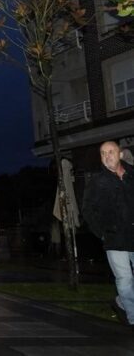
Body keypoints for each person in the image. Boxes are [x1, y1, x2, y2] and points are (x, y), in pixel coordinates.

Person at [82, 140, 134, 327]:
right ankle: (132, 316)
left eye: (111, 151)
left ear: (120, 154)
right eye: (103, 153)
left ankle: (121, 301)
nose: (107, 156)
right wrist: (102, 232)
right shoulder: (97, 182)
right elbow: (87, 210)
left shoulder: (132, 175)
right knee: (124, 278)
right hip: (114, 238)